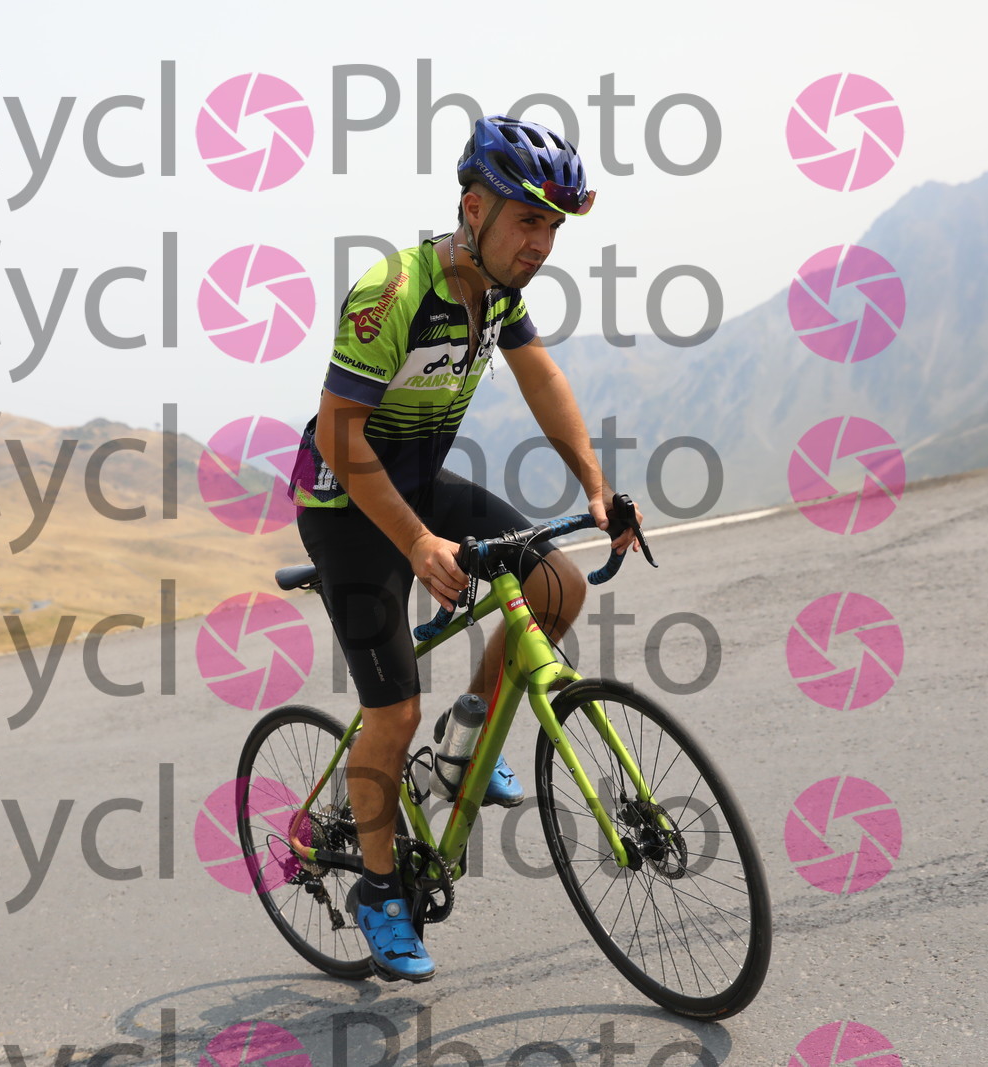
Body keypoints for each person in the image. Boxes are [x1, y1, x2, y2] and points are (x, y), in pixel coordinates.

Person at [287, 114, 641, 983]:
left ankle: (466, 737)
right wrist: (416, 543)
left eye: (553, 227)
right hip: (344, 500)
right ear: (473, 208)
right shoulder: (393, 293)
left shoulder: (499, 292)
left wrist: (595, 485)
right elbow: (339, 436)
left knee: (556, 588)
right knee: (392, 711)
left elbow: (542, 378)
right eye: (527, 221)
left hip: (417, 478)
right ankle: (378, 891)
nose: (541, 244)